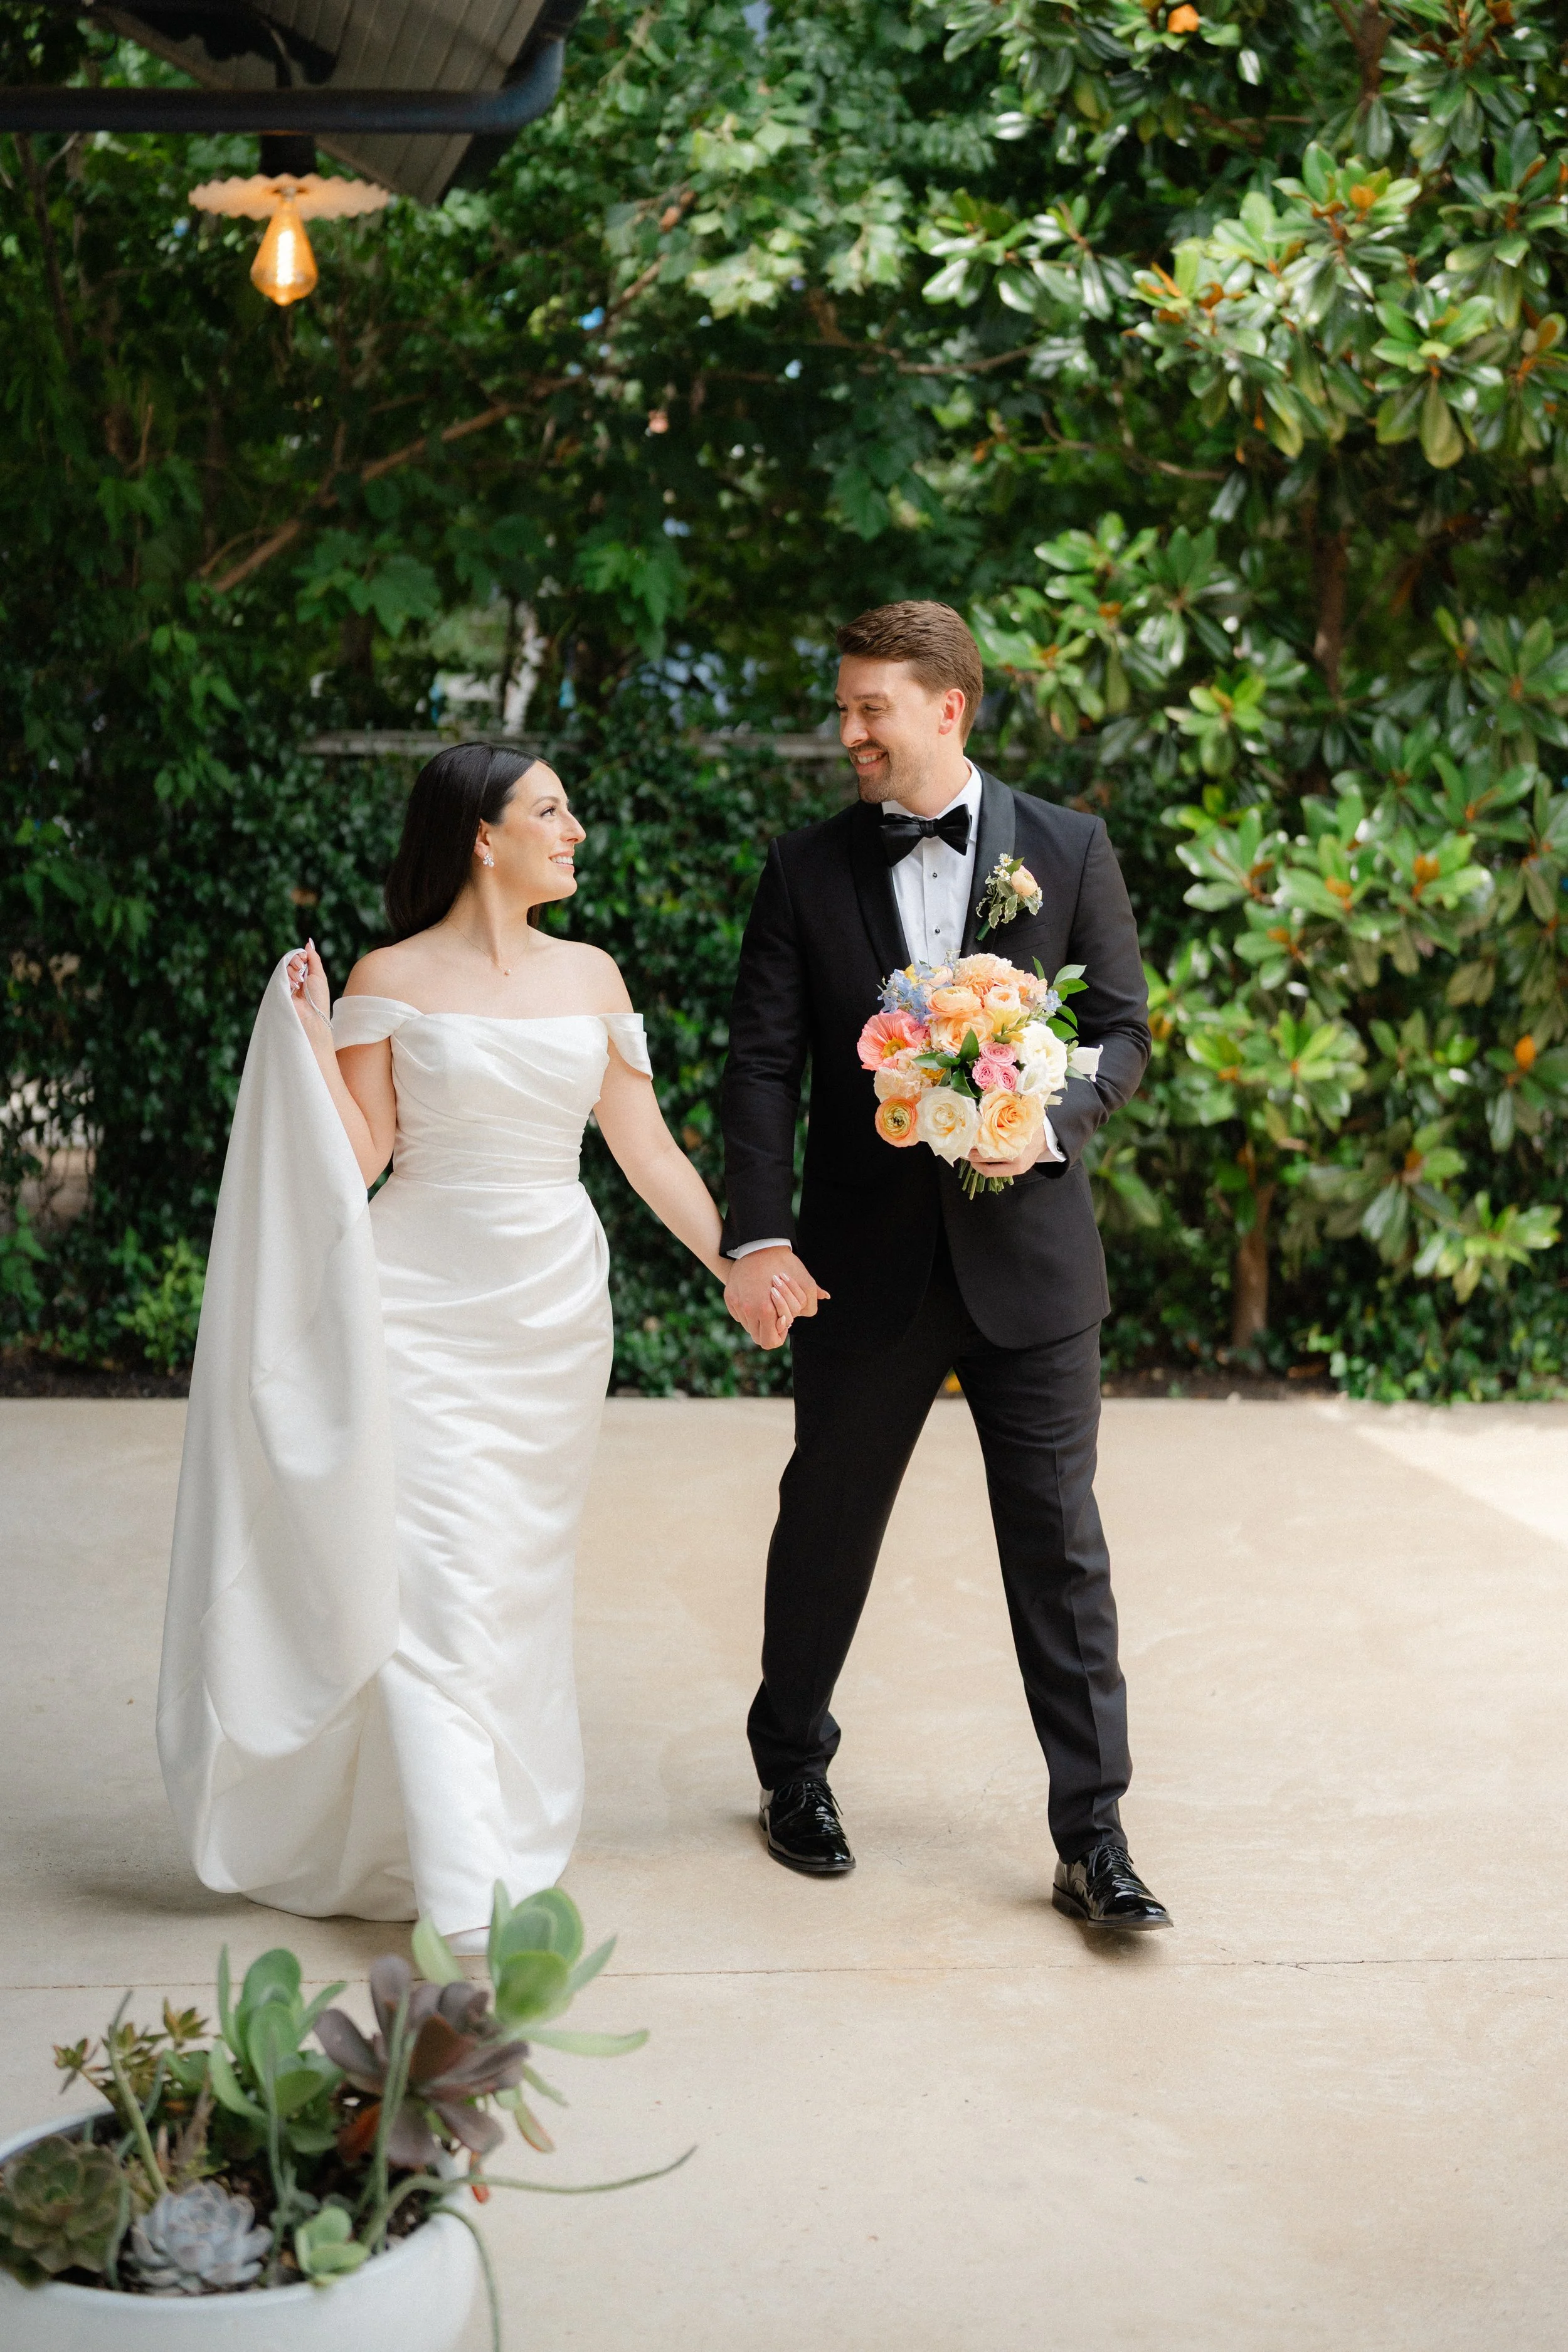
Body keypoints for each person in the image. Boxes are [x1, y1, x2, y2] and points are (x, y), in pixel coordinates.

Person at [158, 742, 805, 1949]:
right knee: (434, 1579)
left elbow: (647, 1150)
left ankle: (456, 1821)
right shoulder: (388, 973)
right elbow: (357, 1161)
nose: (574, 829)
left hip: (550, 1313)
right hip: (414, 1303)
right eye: (550, 810)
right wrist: (303, 1048)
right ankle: (464, 1891)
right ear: (481, 835)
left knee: (509, 1579)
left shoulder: (595, 974)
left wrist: (737, 1263)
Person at [719, 601, 1170, 1930]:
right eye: (843, 705)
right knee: (827, 1526)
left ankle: (1091, 1837)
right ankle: (790, 1768)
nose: (845, 731)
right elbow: (761, 1066)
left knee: (1059, 1552)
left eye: (869, 709)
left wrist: (1042, 1112)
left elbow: (1124, 1036)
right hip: (861, 1269)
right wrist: (759, 1233)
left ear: (947, 710)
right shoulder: (802, 870)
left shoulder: (1069, 849)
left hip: (1030, 1267)